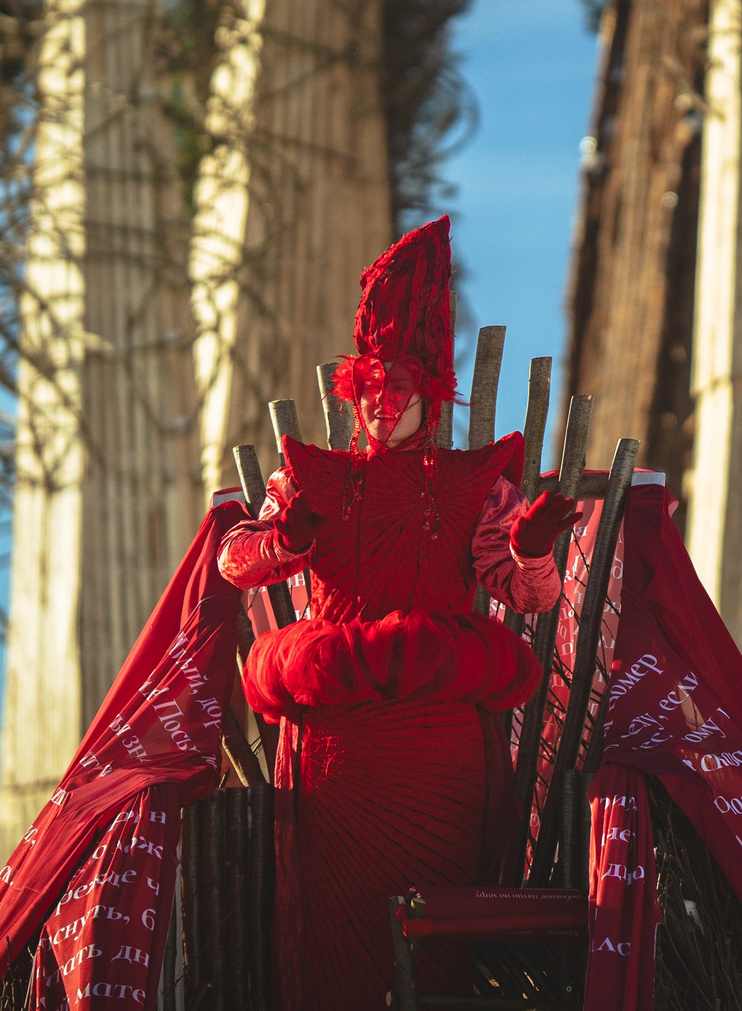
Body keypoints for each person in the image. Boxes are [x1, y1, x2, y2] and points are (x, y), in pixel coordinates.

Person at [221, 216, 584, 1011]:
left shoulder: (472, 486)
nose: (382, 409)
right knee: (336, 947)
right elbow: (233, 561)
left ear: (430, 396)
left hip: (438, 752)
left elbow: (530, 596)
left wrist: (529, 550)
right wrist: (286, 537)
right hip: (338, 753)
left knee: (436, 945)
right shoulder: (312, 478)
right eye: (368, 393)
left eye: (399, 393)